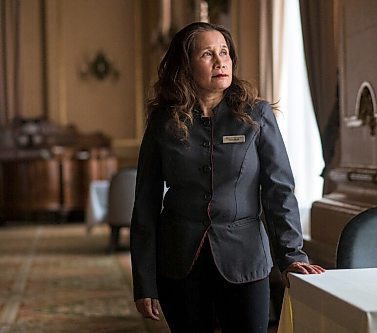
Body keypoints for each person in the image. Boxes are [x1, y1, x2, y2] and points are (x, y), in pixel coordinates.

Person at [130, 21, 325, 333]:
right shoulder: (162, 122)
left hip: (245, 259)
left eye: (225, 52)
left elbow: (279, 191)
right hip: (179, 260)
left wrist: (291, 256)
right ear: (185, 65)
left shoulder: (256, 115)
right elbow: (145, 204)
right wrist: (144, 280)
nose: (220, 61)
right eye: (208, 54)